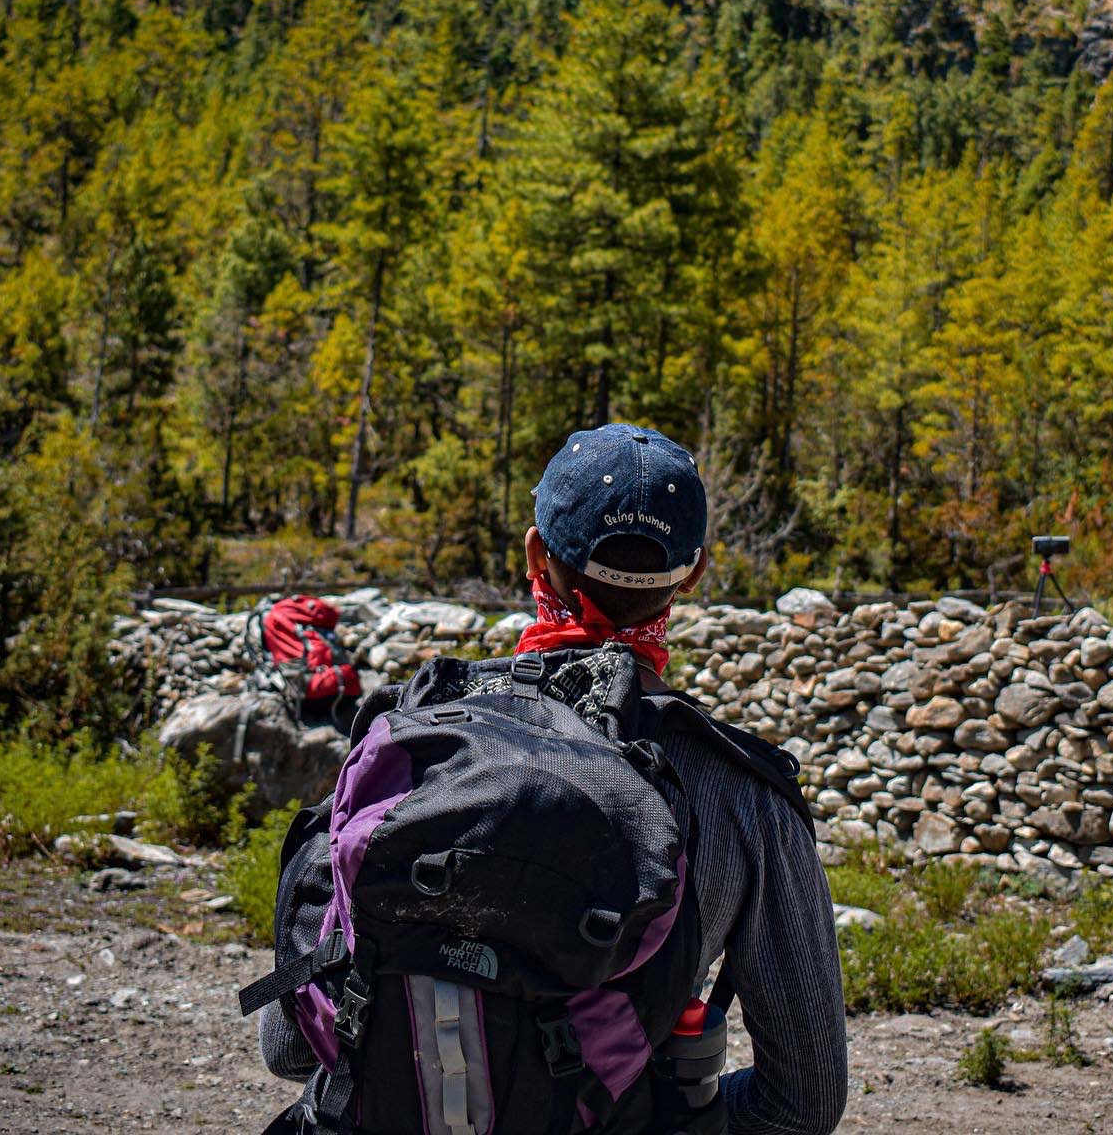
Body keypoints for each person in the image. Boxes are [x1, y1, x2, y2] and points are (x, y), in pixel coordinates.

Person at [259, 422, 848, 1135]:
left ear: (535, 555)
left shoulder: (408, 741)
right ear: (693, 574)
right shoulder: (745, 797)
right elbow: (804, 1102)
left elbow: (290, 1047)